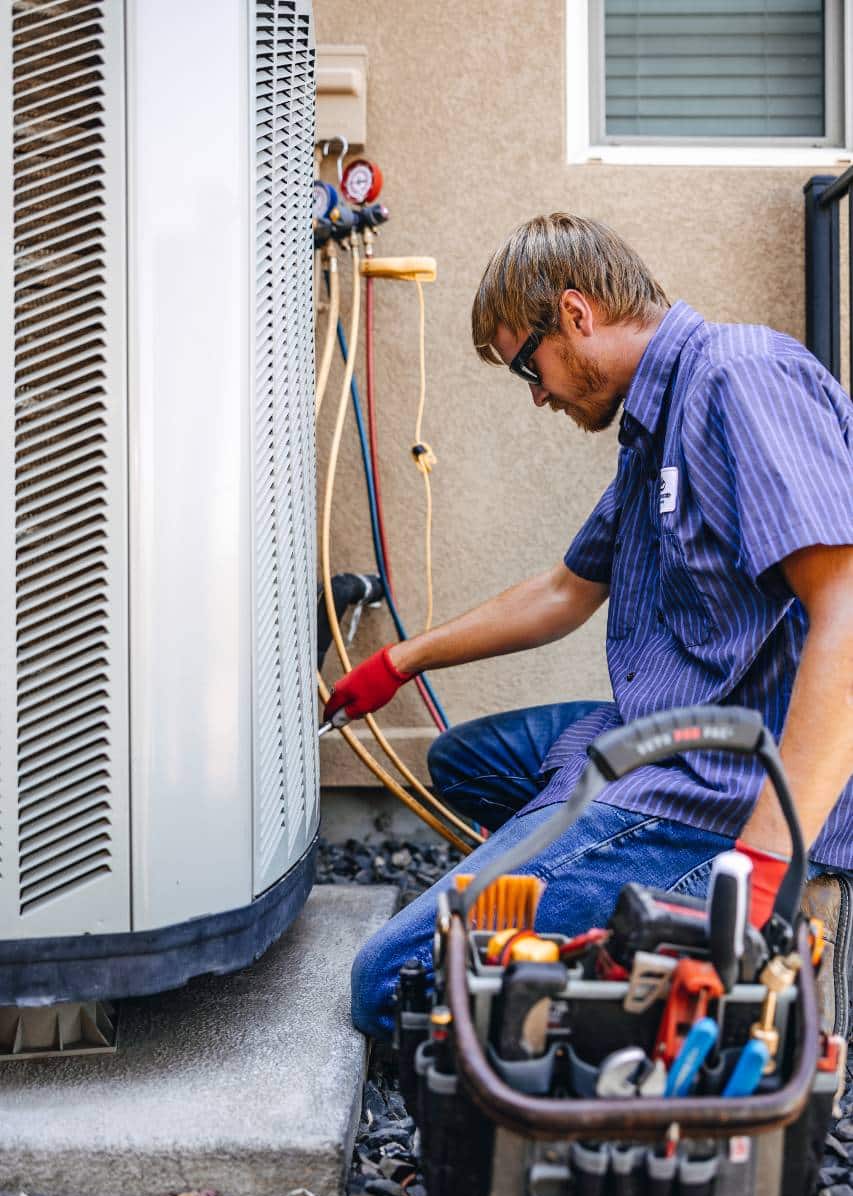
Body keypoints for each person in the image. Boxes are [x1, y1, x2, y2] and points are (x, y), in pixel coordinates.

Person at [323, 214, 853, 1041]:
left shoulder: (741, 380)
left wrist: (759, 870)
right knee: (462, 760)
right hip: (659, 732)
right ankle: (570, 873)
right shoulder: (653, 423)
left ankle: (611, 947)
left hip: (721, 788)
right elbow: (566, 589)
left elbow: (847, 613)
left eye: (527, 366)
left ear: (575, 315)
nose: (535, 394)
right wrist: (396, 661)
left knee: (387, 981)